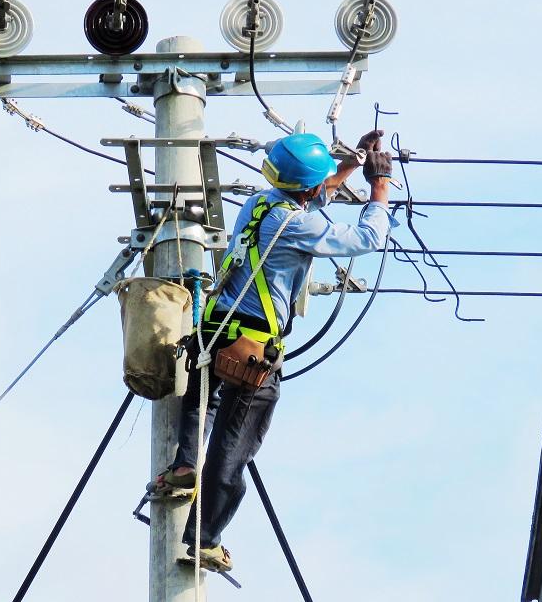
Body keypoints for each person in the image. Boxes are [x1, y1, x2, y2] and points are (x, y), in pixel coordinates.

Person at [149, 129, 396, 572]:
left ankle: (185, 466)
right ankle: (204, 539)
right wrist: (379, 188)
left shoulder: (261, 203)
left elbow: (309, 199)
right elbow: (362, 239)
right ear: (309, 187)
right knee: (235, 443)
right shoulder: (300, 223)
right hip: (254, 347)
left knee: (203, 397)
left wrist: (346, 169)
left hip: (218, 329)